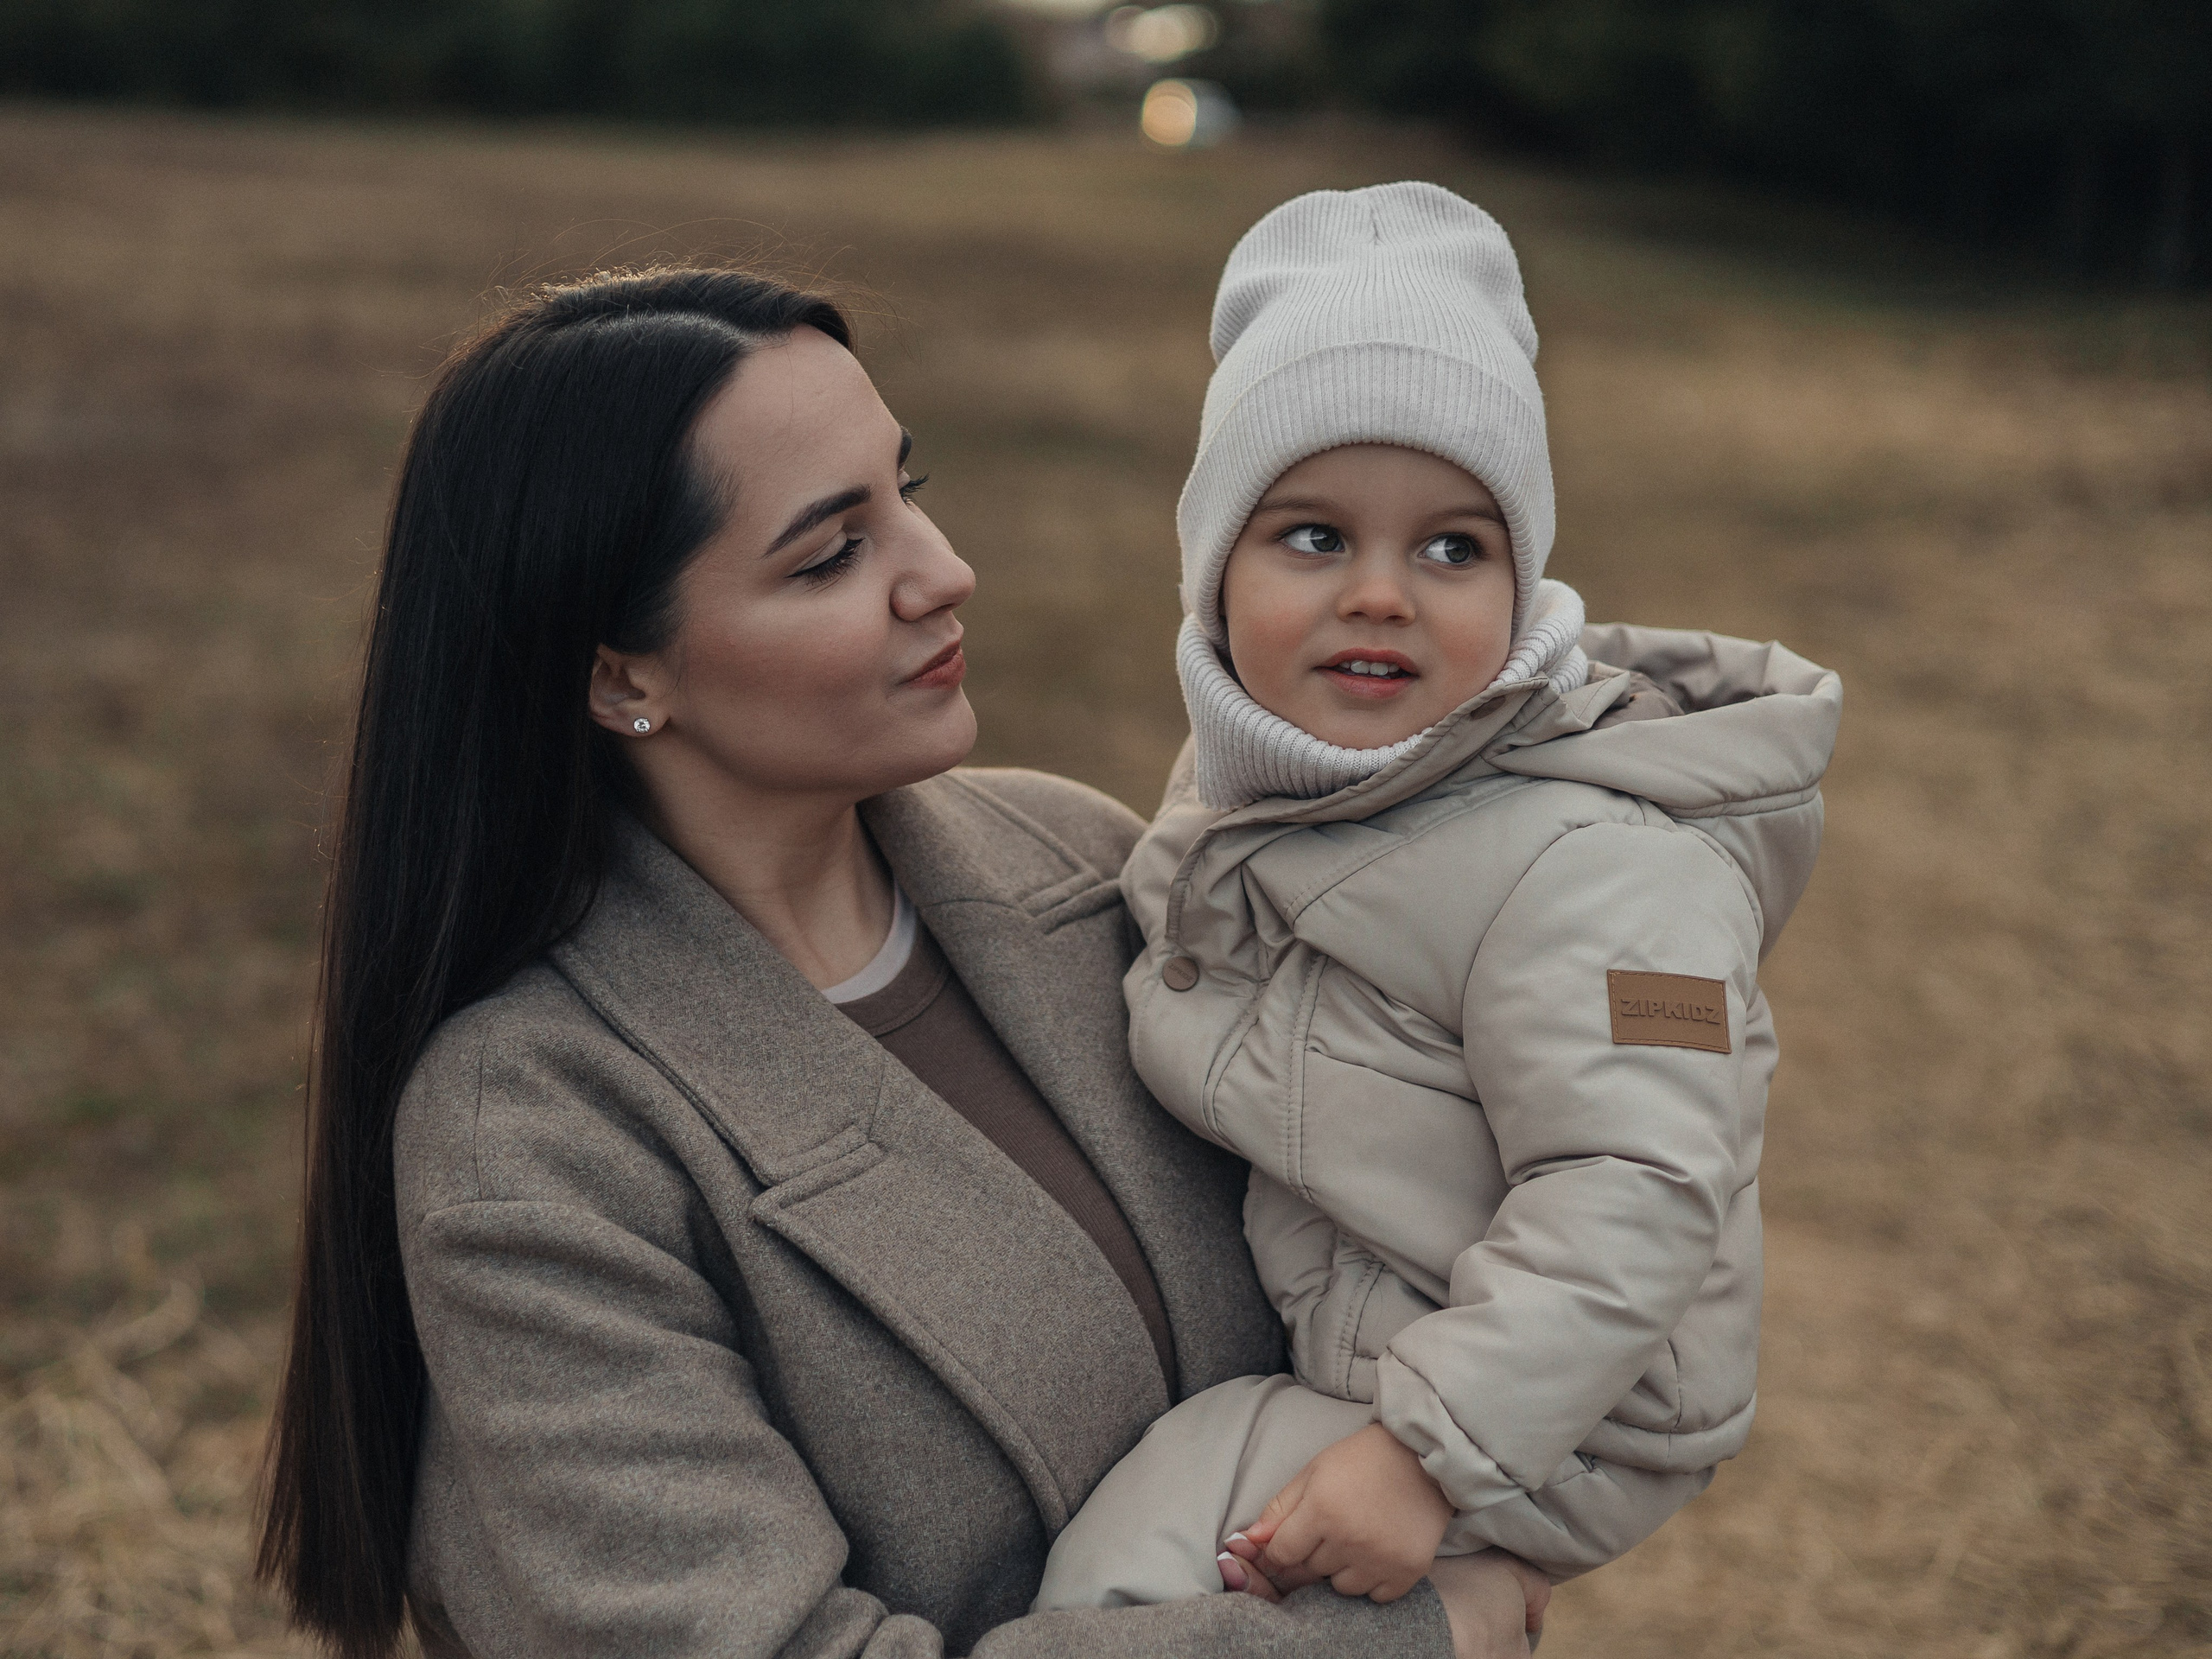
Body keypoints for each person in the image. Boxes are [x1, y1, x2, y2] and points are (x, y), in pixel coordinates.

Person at [252, 266, 1551, 1659]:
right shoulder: (535, 1127)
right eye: (830, 554)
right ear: (623, 675)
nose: (943, 573)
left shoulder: (1096, 867)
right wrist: (1419, 1639)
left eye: (906, 493)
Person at [1033, 185, 1842, 1612]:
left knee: (1131, 1562)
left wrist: (1423, 1457)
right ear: (1210, 573)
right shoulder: (1269, 788)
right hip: (1416, 1337)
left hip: (1566, 1407)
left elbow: (1641, 1182)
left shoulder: (1601, 869)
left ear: (1525, 584)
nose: (1384, 594)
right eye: (1314, 538)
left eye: (1453, 547)